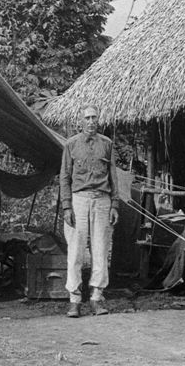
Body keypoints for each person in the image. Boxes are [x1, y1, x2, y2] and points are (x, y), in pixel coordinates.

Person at [60, 105, 119, 318]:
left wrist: (115, 204)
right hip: (79, 200)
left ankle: (96, 297)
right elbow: (64, 177)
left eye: (94, 117)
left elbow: (113, 176)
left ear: (99, 120)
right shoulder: (71, 144)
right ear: (81, 121)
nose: (91, 121)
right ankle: (74, 300)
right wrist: (67, 206)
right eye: (87, 117)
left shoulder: (107, 144)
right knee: (75, 250)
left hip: (102, 200)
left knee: (100, 249)